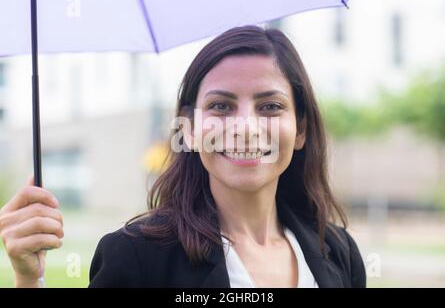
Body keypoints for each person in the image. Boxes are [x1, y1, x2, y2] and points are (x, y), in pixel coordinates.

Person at [0, 25, 366, 288]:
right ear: (188, 129)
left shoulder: (339, 252)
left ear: (300, 129)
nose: (245, 127)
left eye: (269, 106)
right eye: (221, 106)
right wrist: (29, 280)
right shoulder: (136, 256)